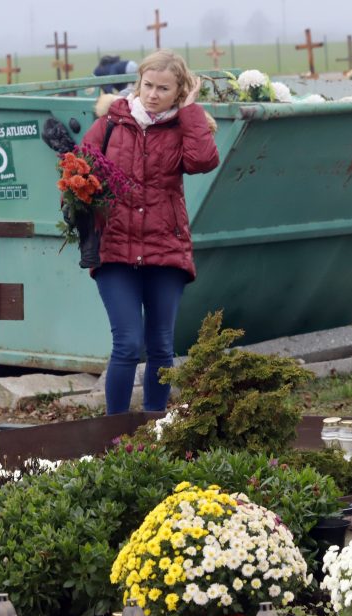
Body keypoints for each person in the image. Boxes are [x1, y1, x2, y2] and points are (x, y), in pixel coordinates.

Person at [80, 50, 219, 414]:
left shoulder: (184, 126)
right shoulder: (112, 123)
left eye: (164, 88)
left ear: (179, 90)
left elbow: (203, 160)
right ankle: (114, 436)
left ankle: (155, 433)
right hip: (115, 250)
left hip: (165, 249)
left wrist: (190, 110)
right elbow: (79, 168)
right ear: (137, 83)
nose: (154, 94)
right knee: (127, 343)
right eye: (148, 85)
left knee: (160, 346)